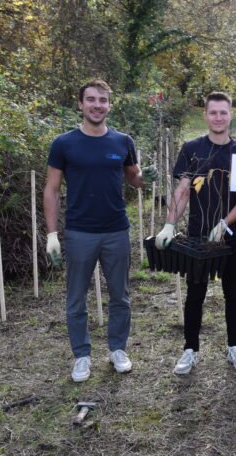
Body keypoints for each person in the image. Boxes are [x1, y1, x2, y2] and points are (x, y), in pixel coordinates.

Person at [44, 79, 158, 383]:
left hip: (116, 230)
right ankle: (82, 356)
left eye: (103, 100)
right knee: (76, 297)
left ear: (110, 105)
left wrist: (146, 176)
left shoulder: (123, 142)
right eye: (91, 99)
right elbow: (52, 190)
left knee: (120, 295)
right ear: (80, 104)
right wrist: (52, 234)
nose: (97, 105)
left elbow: (134, 179)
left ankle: (117, 349)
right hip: (79, 233)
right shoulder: (63, 144)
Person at [154, 91, 236, 375]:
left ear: (231, 114)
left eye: (224, 112)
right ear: (206, 115)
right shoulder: (192, 149)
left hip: (231, 237)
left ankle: (234, 345)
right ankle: (190, 349)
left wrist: (224, 223)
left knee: (232, 292)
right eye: (213, 112)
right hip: (197, 236)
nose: (219, 117)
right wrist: (170, 223)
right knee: (195, 292)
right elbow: (184, 189)